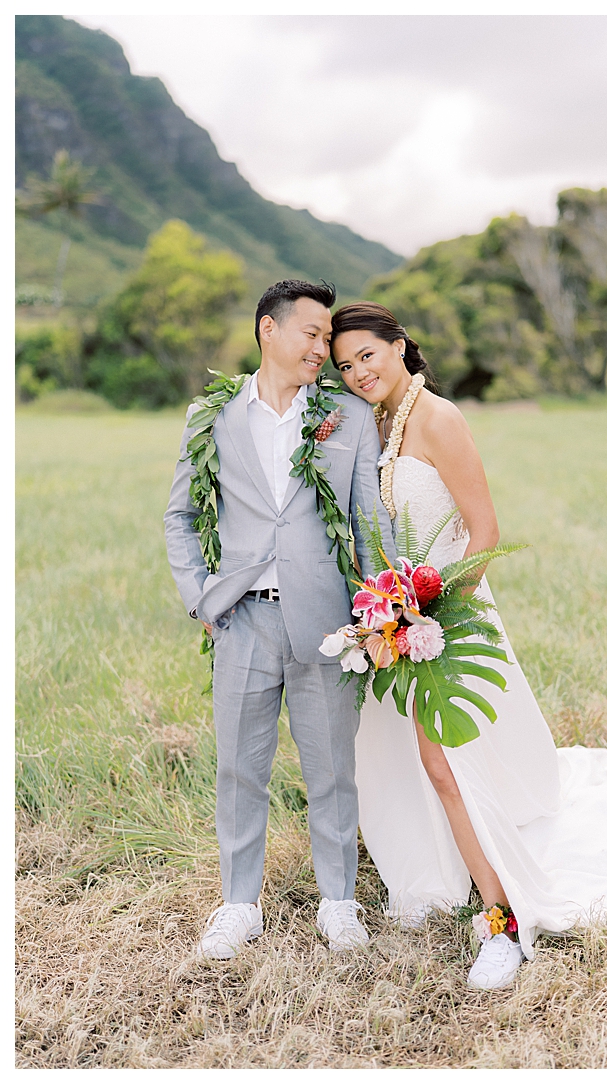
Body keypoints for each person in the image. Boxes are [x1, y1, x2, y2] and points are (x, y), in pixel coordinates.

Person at [328, 301, 607, 991]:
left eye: (367, 354)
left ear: (400, 346)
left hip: (446, 616)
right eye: (345, 365)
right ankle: (444, 870)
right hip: (394, 618)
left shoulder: (440, 418)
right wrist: (385, 614)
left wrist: (434, 617)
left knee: (445, 761)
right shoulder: (371, 429)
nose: (358, 371)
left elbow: (484, 530)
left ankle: (503, 922)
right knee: (405, 756)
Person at [164, 280, 395, 959]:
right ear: (270, 330)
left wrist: (381, 613)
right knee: (239, 767)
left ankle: (340, 902)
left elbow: (366, 519)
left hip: (326, 624)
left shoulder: (343, 417)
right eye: (314, 336)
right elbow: (180, 516)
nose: (324, 350)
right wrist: (200, 596)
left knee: (331, 768)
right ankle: (239, 905)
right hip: (241, 622)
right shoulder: (212, 416)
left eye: (328, 339)